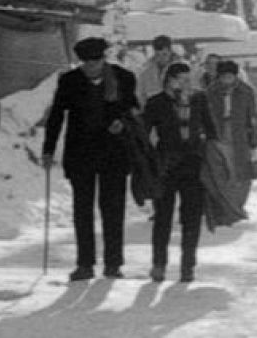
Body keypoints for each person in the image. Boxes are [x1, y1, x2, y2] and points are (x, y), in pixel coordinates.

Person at [42, 36, 139, 281]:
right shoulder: (69, 81)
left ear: (103, 58)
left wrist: (122, 122)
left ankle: (113, 263)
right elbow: (56, 115)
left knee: (113, 209)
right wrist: (48, 149)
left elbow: (134, 109)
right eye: (86, 62)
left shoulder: (123, 78)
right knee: (82, 210)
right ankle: (85, 263)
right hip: (80, 154)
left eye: (95, 61)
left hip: (114, 153)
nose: (91, 66)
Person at [141, 62, 210, 282]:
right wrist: (150, 160)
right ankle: (159, 263)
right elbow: (144, 133)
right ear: (168, 80)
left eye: (188, 79)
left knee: (191, 218)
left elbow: (212, 131)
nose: (185, 83)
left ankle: (188, 265)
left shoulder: (200, 100)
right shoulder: (156, 103)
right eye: (180, 78)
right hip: (166, 165)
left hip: (193, 164)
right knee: (162, 217)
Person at [202, 59, 257, 225]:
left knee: (241, 175)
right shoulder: (210, 92)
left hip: (239, 136)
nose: (227, 80)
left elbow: (253, 117)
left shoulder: (246, 91)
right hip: (217, 135)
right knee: (219, 175)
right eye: (223, 76)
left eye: (230, 76)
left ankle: (235, 208)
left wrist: (253, 139)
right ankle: (227, 210)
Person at [137, 34, 178, 106]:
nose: (161, 58)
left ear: (170, 51)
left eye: (164, 54)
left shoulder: (180, 70)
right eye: (158, 55)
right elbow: (139, 95)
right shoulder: (145, 73)